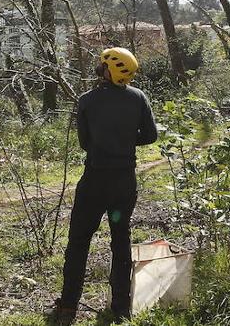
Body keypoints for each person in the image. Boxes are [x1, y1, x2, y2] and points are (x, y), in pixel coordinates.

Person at [50, 47, 158, 325]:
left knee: (78, 243)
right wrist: (124, 141)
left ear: (109, 70)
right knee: (120, 240)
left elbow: (85, 143)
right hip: (124, 184)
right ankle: (121, 307)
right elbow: (150, 136)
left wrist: (106, 142)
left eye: (102, 64)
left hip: (94, 182)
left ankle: (68, 307)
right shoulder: (139, 98)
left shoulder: (87, 100)